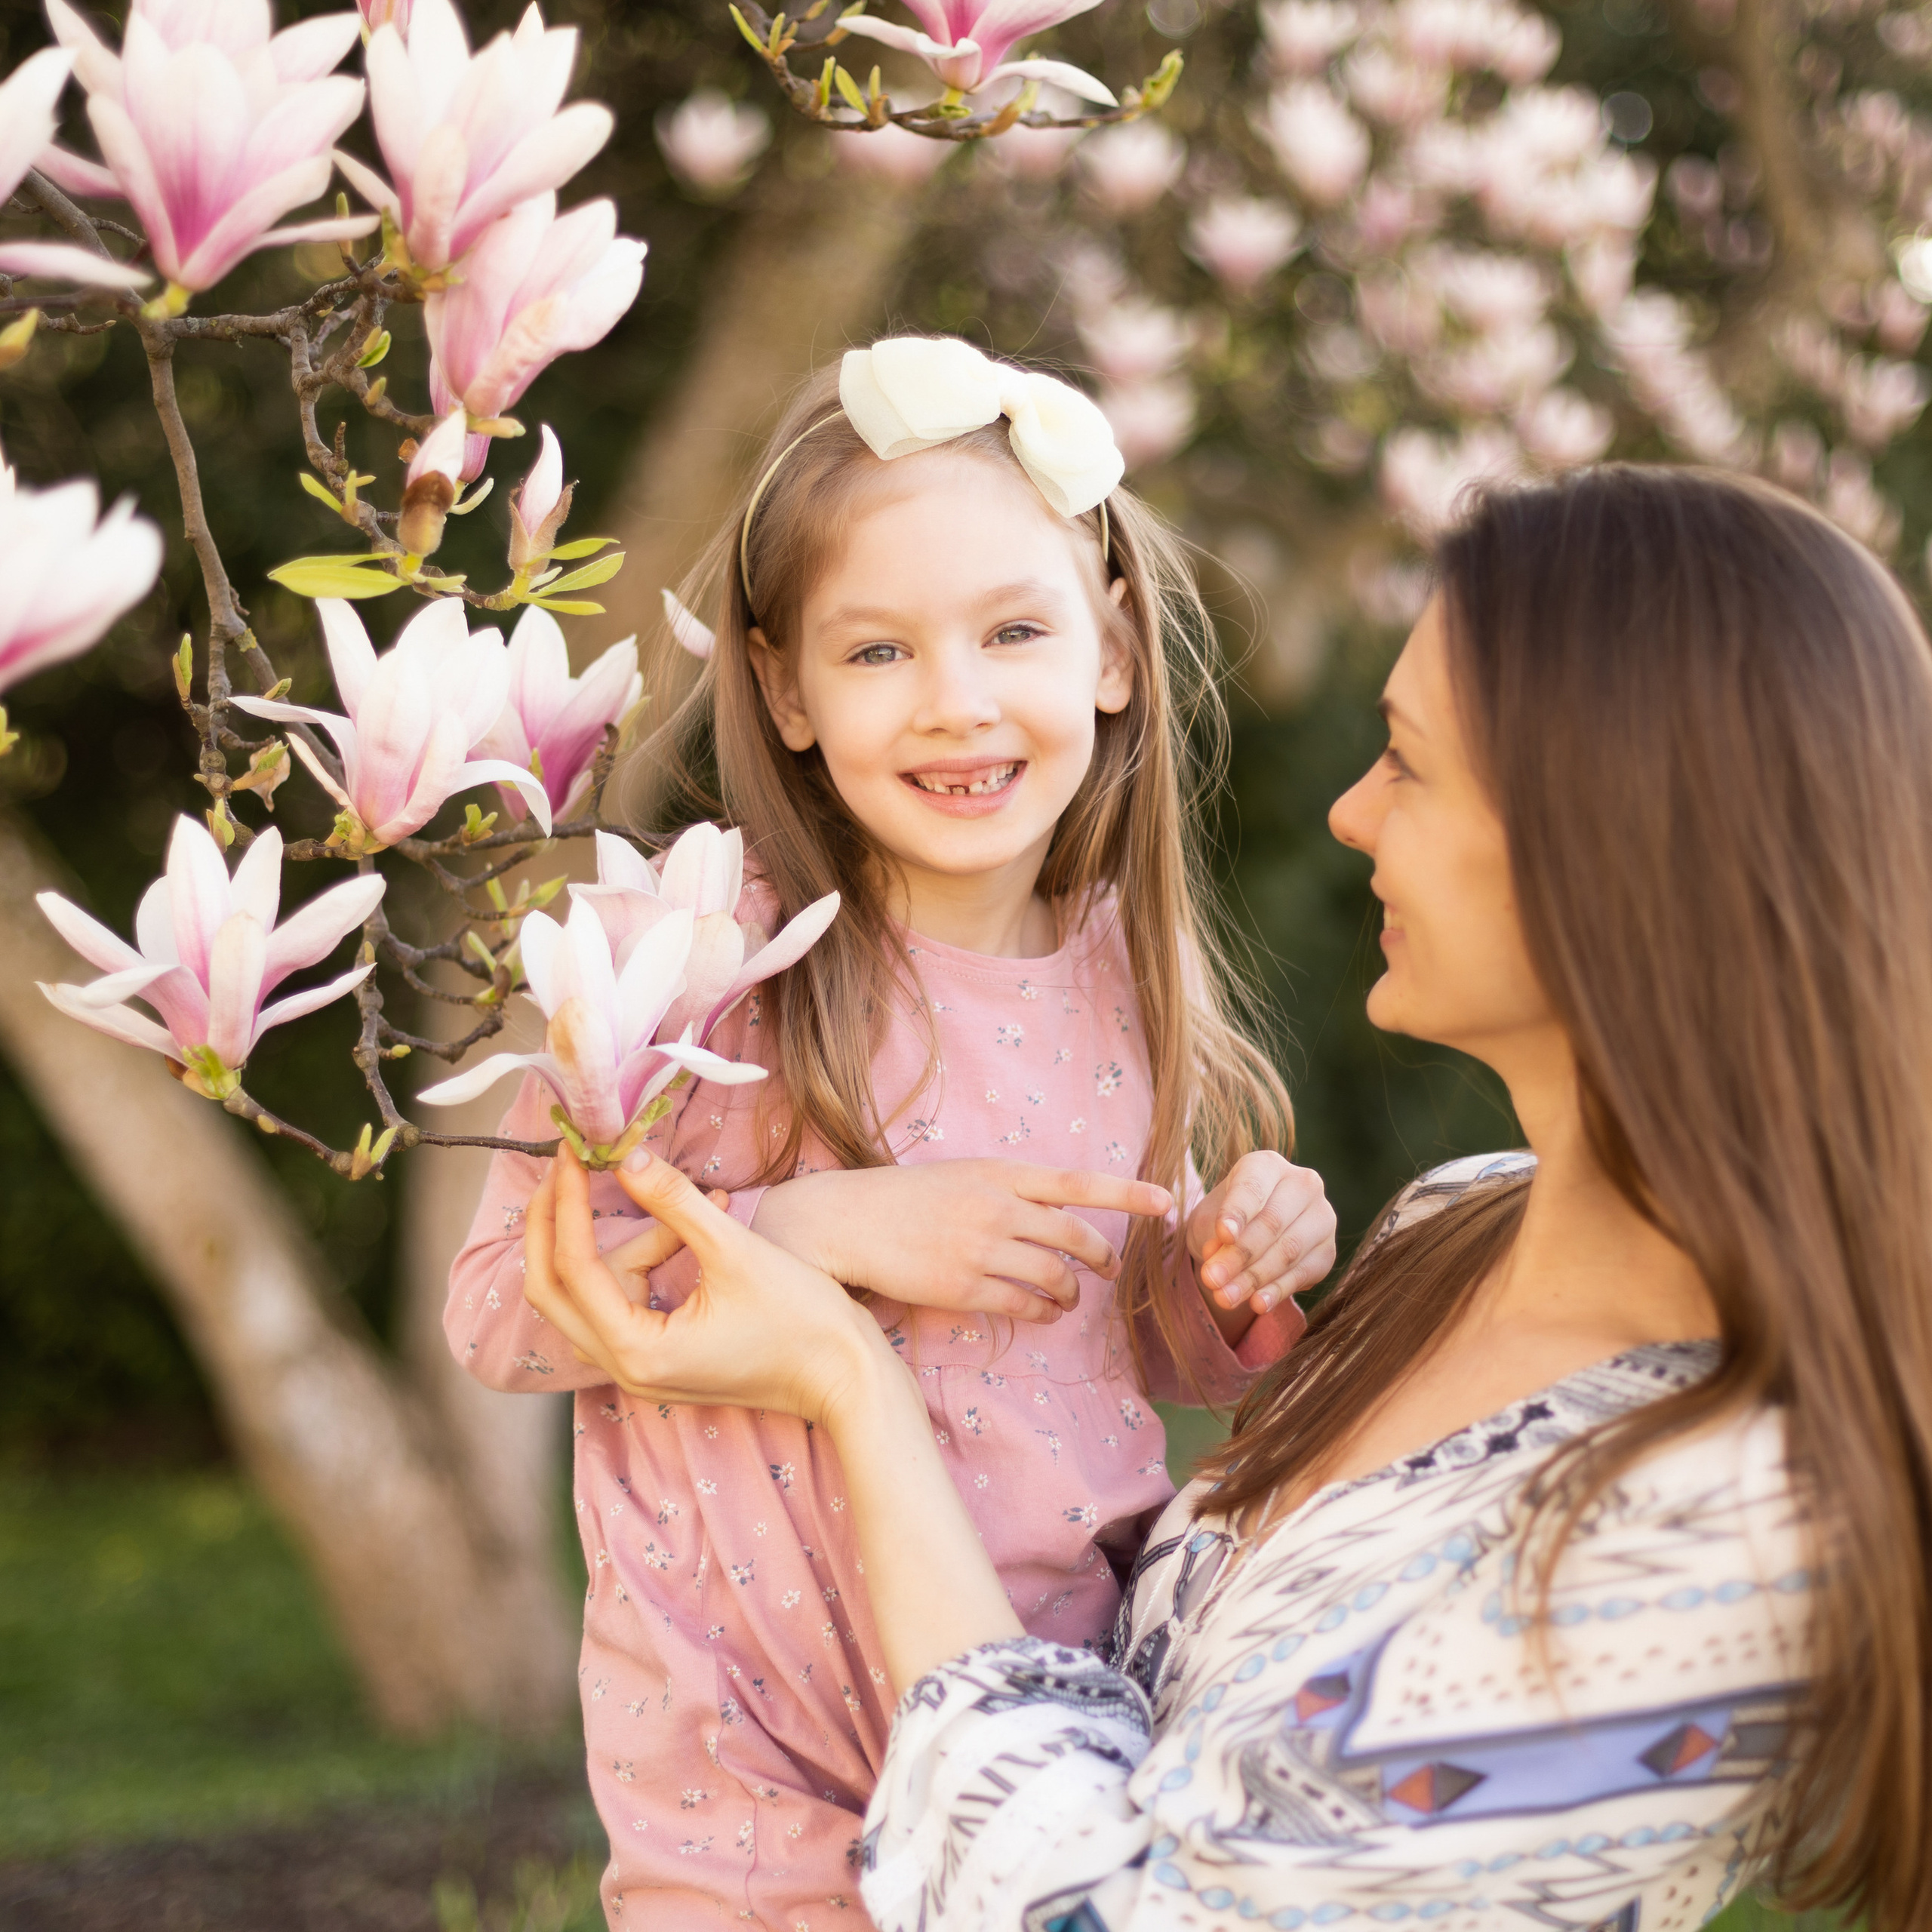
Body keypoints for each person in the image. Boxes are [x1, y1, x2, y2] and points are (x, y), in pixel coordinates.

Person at [522, 465, 1932, 1932]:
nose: (1347, 811)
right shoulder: (1453, 1229)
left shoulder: (1712, 1533)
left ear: (1612, 841)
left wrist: (848, 1380)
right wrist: (1200, 1282)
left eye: (1407, 763)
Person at [446, 335, 1339, 1927]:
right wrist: (820, 1229)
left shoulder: (1122, 975)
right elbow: (501, 1309)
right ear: (784, 689)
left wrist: (1223, 1269)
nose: (957, 703)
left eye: (1014, 630)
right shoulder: (699, 964)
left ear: (1112, 649)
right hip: (753, 1797)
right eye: (878, 652)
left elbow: (1132, 1345)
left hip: (1037, 1730)